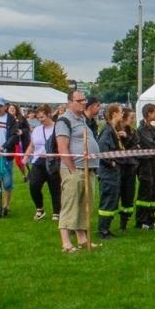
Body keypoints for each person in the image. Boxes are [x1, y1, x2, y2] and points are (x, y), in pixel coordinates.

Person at [55, 89, 99, 252]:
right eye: (79, 101)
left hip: (88, 168)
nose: (84, 103)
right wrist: (72, 169)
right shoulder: (64, 120)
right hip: (74, 169)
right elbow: (62, 147)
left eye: (84, 100)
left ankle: (82, 239)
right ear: (70, 102)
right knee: (70, 204)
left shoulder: (82, 119)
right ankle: (66, 243)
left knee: (84, 205)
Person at [26, 105, 62, 220]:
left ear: (49, 115)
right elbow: (32, 145)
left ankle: (57, 211)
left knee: (55, 187)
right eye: (39, 118)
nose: (41, 120)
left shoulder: (58, 128)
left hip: (53, 161)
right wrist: (26, 156)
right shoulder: (36, 130)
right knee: (34, 185)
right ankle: (39, 209)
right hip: (38, 162)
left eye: (43, 117)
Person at [96, 104, 125, 239]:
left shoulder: (113, 130)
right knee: (107, 200)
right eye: (120, 112)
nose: (122, 114)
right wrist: (111, 162)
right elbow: (102, 149)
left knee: (112, 200)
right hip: (108, 173)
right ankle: (103, 230)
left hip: (114, 172)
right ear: (114, 114)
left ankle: (106, 228)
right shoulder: (107, 131)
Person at [134, 104, 155, 230]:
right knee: (145, 191)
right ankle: (142, 220)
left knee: (154, 190)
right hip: (144, 164)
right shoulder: (141, 130)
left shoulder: (153, 129)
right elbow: (151, 145)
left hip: (154, 162)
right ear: (149, 113)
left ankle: (152, 217)